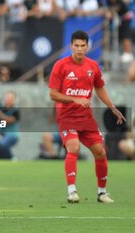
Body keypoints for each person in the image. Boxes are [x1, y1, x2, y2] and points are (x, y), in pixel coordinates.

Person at [49, 30, 126, 204]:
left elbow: (99, 87)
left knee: (100, 152)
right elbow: (53, 94)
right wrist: (75, 99)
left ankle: (102, 193)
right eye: (76, 45)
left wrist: (112, 107)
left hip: (86, 118)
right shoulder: (61, 65)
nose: (79, 49)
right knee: (73, 147)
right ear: (71, 46)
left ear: (88, 46)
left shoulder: (93, 66)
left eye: (83, 45)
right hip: (66, 116)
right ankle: (72, 191)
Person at [0, 91, 20, 160]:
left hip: (11, 135)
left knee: (3, 144)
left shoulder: (16, 111)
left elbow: (7, 120)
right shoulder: (1, 109)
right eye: (6, 98)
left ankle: (10, 158)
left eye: (10, 98)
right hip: (0, 134)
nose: (7, 100)